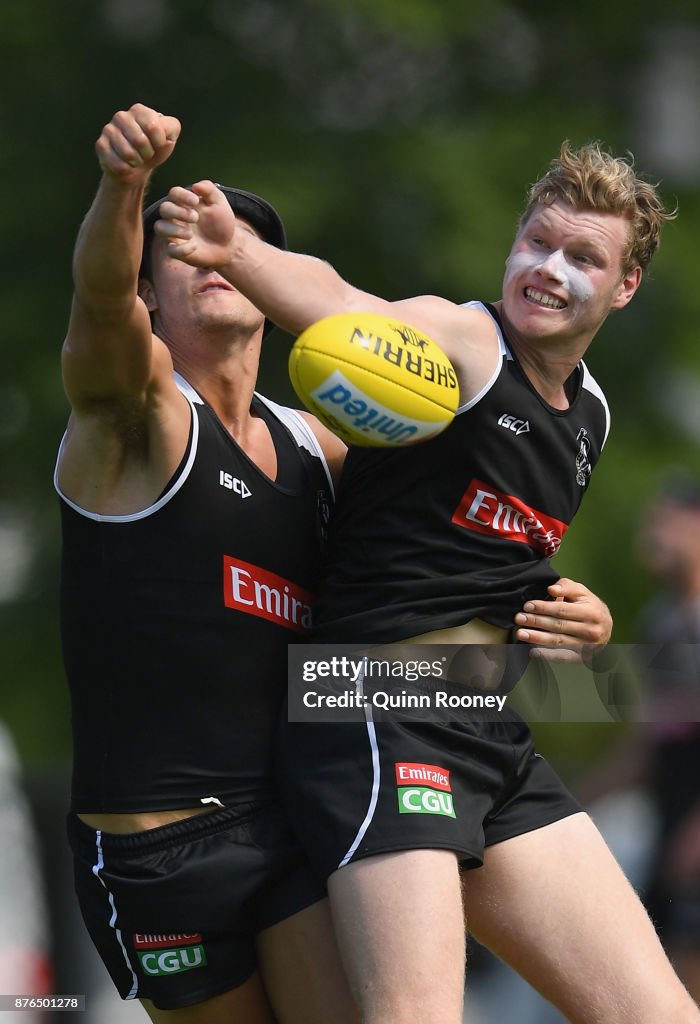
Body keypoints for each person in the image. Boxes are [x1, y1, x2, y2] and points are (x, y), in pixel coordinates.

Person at [156, 142, 700, 1024]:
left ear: (625, 286)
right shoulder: (463, 342)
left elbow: (480, 552)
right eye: (537, 243)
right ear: (512, 245)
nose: (549, 270)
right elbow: (343, 305)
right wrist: (237, 253)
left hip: (486, 723)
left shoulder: (590, 412)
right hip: (372, 703)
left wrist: (582, 618)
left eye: (582, 258)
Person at [54, 103, 353, 1024]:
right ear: (147, 293)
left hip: (285, 825)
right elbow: (97, 306)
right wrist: (124, 186)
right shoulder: (133, 417)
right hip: (160, 850)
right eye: (183, 245)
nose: (217, 253)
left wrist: (560, 602)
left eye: (239, 244)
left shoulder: (324, 453)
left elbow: (457, 541)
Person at [580, 471, 700, 1006]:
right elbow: (651, 742)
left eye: (665, 518)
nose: (650, 530)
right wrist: (567, 808)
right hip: (671, 824)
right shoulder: (663, 621)